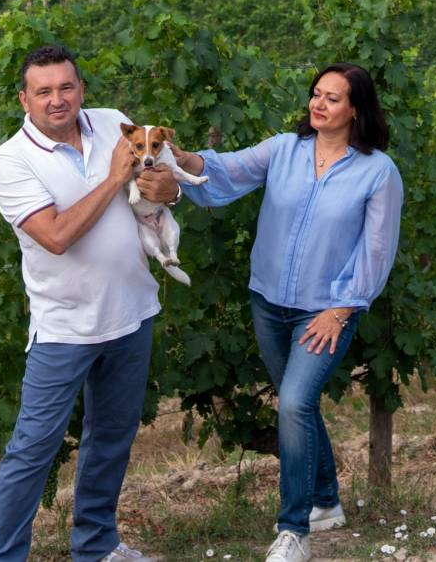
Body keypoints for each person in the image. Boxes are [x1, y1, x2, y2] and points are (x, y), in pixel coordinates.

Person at [170, 63, 403, 562]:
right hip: (267, 302)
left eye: (332, 98)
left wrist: (339, 311)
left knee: (295, 403)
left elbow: (376, 253)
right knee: (298, 404)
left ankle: (293, 530)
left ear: (356, 109)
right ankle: (325, 500)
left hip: (325, 313)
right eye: (316, 94)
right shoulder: (284, 150)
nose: (318, 104)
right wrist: (181, 158)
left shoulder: (377, 172)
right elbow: (226, 171)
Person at [0, 44, 181, 562]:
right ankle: (1, 557)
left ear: (81, 90)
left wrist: (168, 190)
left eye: (66, 87)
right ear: (24, 99)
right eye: (43, 91)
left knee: (111, 440)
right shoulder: (11, 160)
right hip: (65, 326)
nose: (57, 99)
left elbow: (160, 174)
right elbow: (55, 236)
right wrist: (114, 178)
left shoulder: (114, 123)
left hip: (132, 313)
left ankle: (96, 546)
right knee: (33, 450)